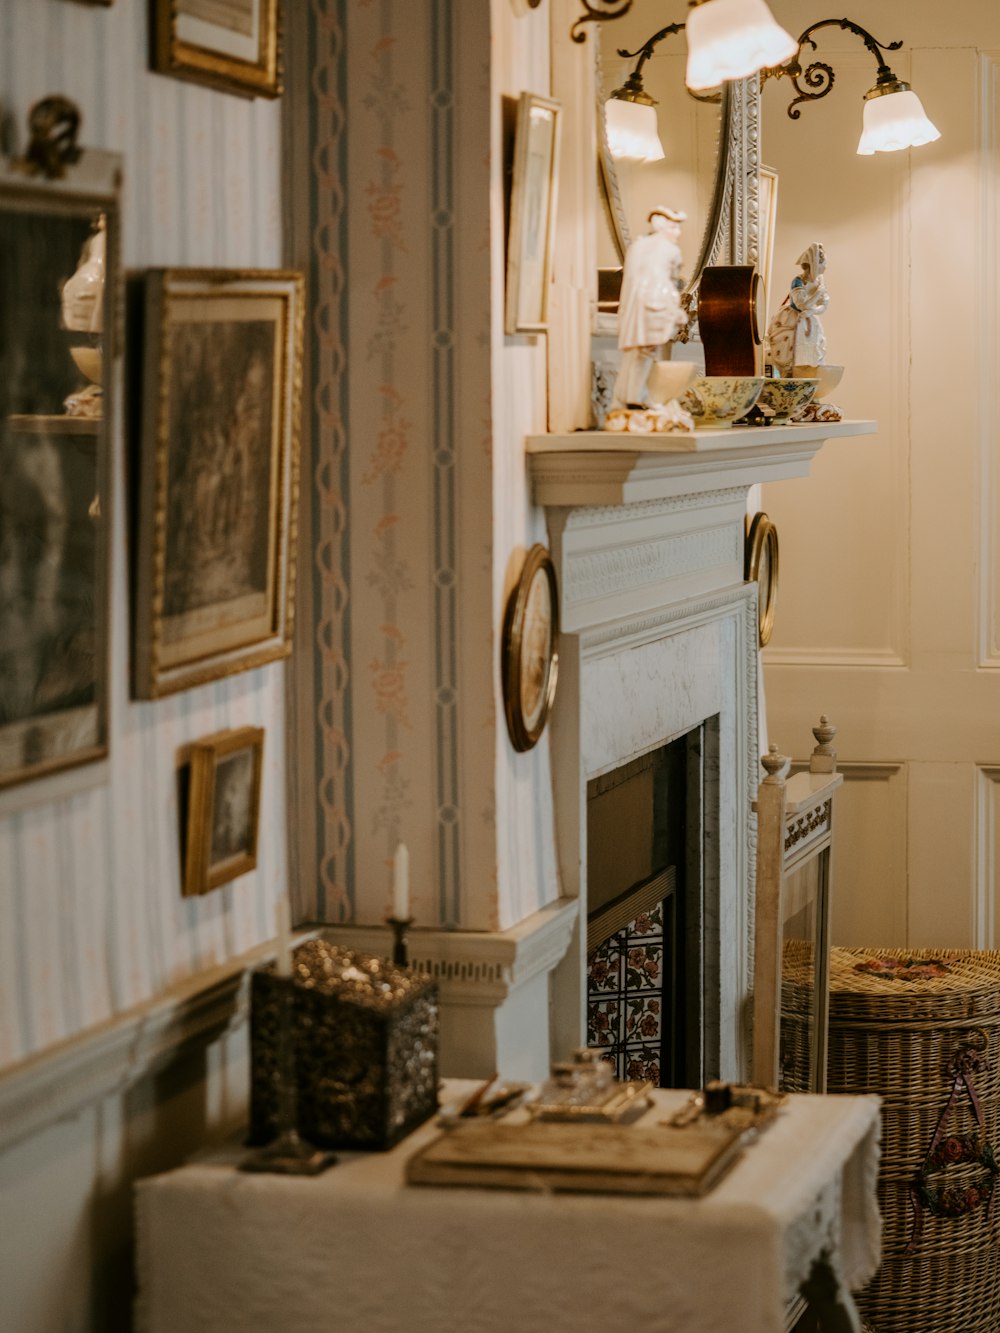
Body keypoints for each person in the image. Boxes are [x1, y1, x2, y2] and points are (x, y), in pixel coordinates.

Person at [612, 206, 687, 410]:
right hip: (654, 306)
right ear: (661, 226)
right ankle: (636, 397)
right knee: (645, 352)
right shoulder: (668, 250)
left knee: (637, 353)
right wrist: (674, 309)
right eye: (673, 227)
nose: (677, 233)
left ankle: (627, 397)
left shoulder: (638, 246)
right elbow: (663, 282)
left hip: (635, 306)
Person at [765, 242, 829, 376]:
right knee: (789, 350)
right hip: (793, 319)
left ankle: (805, 377)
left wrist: (813, 311)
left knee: (813, 352)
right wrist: (817, 293)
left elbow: (824, 303)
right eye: (823, 264)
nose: (825, 267)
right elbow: (801, 305)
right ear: (814, 264)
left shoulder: (819, 281)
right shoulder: (798, 281)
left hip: (809, 321)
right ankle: (789, 378)